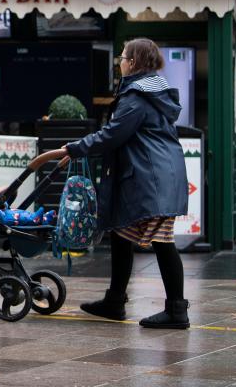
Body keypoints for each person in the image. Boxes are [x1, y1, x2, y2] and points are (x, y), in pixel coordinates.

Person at [55, 38, 190, 329]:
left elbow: (113, 134)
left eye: (124, 57)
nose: (120, 61)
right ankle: (115, 301)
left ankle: (177, 311)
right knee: (121, 234)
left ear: (134, 62)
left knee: (163, 241)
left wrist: (75, 148)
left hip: (153, 179)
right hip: (158, 175)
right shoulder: (152, 89)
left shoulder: (137, 96)